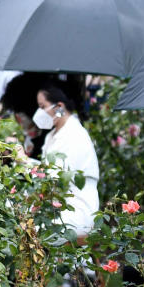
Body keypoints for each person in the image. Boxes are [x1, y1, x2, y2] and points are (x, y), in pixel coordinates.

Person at [32, 83, 100, 240]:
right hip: (58, 208)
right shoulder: (52, 136)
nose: (40, 112)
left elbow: (54, 176)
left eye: (43, 106)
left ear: (59, 106)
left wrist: (22, 161)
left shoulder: (75, 134)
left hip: (76, 210)